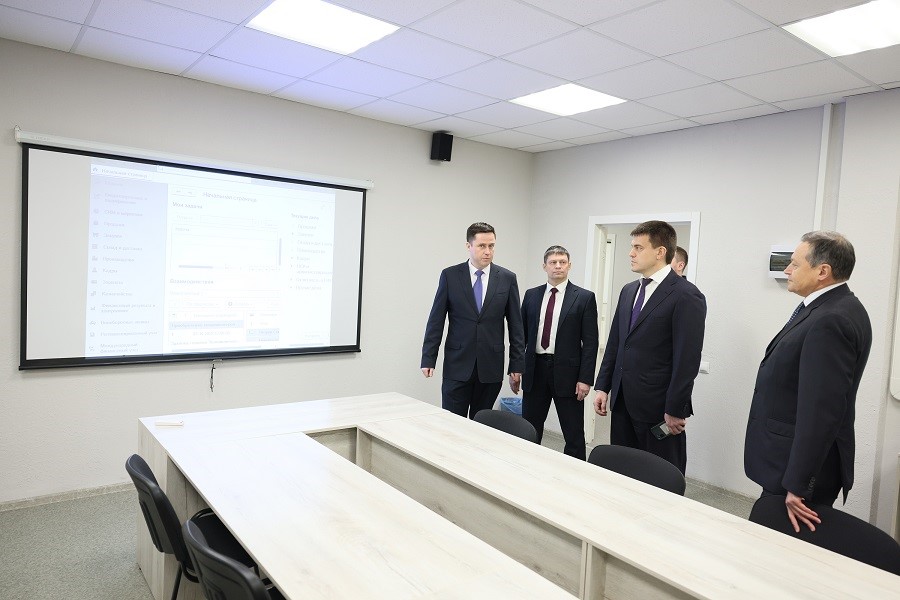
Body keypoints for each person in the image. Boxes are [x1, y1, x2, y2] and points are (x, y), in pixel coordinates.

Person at [745, 231, 871, 533]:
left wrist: (799, 483)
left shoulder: (831, 319)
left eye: (795, 264)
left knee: (778, 546)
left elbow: (821, 410)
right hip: (788, 461)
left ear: (822, 271)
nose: (787, 270)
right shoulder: (832, 308)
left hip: (796, 471)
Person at [593, 220, 706, 474]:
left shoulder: (686, 295)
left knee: (659, 476)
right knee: (622, 472)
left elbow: (687, 359)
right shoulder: (628, 291)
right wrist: (603, 386)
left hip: (658, 408)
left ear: (660, 252)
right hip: (622, 402)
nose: (631, 253)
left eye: (638, 247)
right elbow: (616, 343)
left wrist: (675, 408)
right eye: (632, 247)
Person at [422, 222, 525, 418]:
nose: (488, 251)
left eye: (491, 246)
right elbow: (436, 319)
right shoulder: (450, 275)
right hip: (457, 365)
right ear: (468, 246)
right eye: (482, 246)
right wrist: (428, 357)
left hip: (491, 366)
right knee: (453, 423)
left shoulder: (507, 278)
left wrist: (517, 364)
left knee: (481, 424)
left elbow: (516, 326)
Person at [516, 246, 598, 459]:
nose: (558, 266)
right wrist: (515, 368)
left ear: (569, 265)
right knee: (530, 428)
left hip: (569, 375)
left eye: (562, 262)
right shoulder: (532, 295)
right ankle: (528, 464)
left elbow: (591, 343)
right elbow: (520, 337)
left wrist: (585, 379)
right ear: (544, 266)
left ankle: (576, 471)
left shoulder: (584, 298)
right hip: (535, 370)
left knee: (573, 432)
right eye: (553, 262)